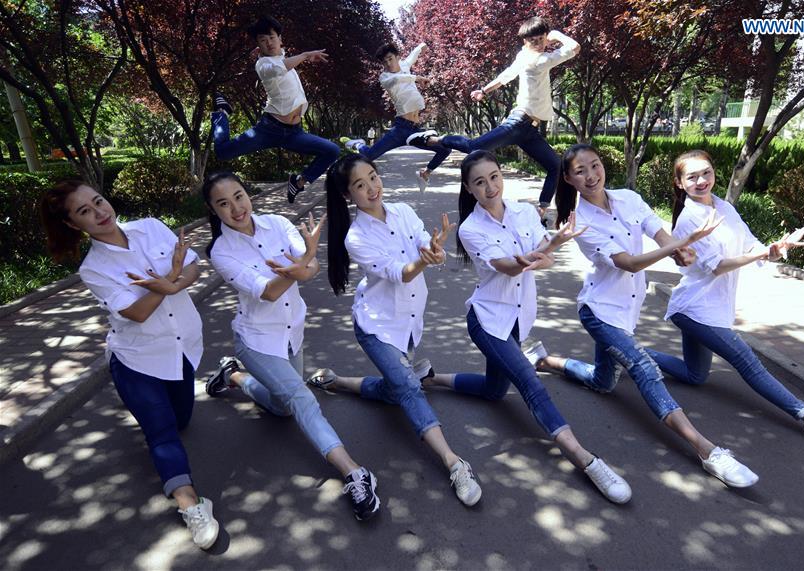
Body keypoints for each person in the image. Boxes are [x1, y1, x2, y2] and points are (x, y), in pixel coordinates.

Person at [532, 144, 759, 488]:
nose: (591, 175)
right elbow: (629, 263)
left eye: (595, 165)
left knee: (603, 381)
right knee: (642, 368)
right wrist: (680, 244)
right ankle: (708, 451)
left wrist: (680, 249)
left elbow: (657, 230)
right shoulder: (581, 224)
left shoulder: (628, 198)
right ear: (568, 178)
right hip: (599, 312)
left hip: (628, 310)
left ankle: (548, 361)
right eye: (580, 171)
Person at [436, 149, 633, 504]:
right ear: (468, 188)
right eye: (479, 182)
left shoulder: (525, 212)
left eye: (494, 177)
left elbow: (545, 257)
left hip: (518, 317)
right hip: (488, 321)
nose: (490, 187)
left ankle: (432, 378)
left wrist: (552, 243)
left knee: (495, 391)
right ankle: (585, 459)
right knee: (530, 383)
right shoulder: (470, 229)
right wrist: (538, 252)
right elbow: (509, 266)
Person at [39, 180, 219, 549]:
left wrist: (173, 280)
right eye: (85, 212)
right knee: (162, 431)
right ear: (74, 225)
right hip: (138, 358)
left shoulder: (151, 227)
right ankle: (192, 506)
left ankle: (226, 378)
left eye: (98, 201)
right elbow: (137, 312)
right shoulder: (94, 269)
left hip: (182, 346)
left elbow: (193, 266)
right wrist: (169, 280)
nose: (100, 213)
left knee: (181, 419)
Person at [658, 149, 804, 461]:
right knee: (749, 362)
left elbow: (750, 243)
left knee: (695, 375)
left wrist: (772, 249)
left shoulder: (723, 206)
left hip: (714, 307)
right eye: (692, 176)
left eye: (706, 173)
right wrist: (758, 255)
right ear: (679, 183)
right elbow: (717, 266)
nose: (701, 181)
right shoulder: (688, 219)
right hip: (695, 309)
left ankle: (631, 354)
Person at [201, 171, 380, 521]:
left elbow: (310, 267)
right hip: (257, 340)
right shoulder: (221, 251)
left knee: (284, 408)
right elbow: (267, 291)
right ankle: (355, 472)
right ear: (213, 209)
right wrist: (299, 266)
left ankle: (234, 378)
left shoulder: (277, 223)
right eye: (223, 203)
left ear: (246, 192)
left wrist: (305, 262)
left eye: (239, 196)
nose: (236, 208)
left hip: (292, 330)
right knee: (301, 398)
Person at [310, 153, 483, 507]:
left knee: (394, 389)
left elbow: (425, 243)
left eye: (373, 177)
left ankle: (339, 382)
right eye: (360, 184)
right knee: (407, 389)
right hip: (377, 327)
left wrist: (434, 250)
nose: (372, 187)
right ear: (348, 194)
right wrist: (424, 260)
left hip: (408, 323)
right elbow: (400, 272)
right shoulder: (355, 238)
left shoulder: (403, 210)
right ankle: (454, 463)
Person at [416, 17, 579, 215]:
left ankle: (542, 209)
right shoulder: (541, 60)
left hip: (529, 130)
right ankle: (434, 138)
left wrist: (483, 91)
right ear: (525, 41)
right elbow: (575, 47)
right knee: (473, 147)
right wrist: (555, 36)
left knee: (556, 166)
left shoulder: (523, 55)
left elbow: (506, 75)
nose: (537, 44)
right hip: (519, 123)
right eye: (532, 40)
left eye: (540, 38)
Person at [210, 15, 340, 204]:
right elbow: (278, 68)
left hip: (295, 132)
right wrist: (304, 55)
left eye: (272, 37)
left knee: (332, 151)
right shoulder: (263, 64)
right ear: (258, 46)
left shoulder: (285, 60)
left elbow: (283, 64)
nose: (268, 43)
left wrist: (298, 57)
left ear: (280, 39)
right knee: (223, 152)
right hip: (269, 129)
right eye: (263, 40)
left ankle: (298, 182)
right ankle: (221, 114)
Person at [342, 42, 451, 193]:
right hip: (401, 129)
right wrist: (416, 78)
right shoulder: (384, 77)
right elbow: (397, 80)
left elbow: (413, 56)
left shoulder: (405, 66)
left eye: (390, 59)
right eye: (385, 61)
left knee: (445, 150)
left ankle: (424, 174)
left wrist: (421, 46)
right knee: (369, 155)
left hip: (414, 130)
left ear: (397, 57)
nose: (388, 63)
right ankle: (358, 144)